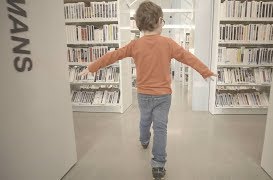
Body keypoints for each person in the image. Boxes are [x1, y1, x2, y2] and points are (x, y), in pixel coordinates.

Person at [79, 1, 216, 179]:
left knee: (144, 120)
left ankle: (144, 140)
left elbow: (112, 56)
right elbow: (187, 57)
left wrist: (91, 67)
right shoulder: (168, 43)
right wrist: (205, 71)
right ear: (160, 21)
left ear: (140, 24)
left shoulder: (134, 45)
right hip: (163, 96)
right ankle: (158, 165)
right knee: (161, 128)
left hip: (143, 95)